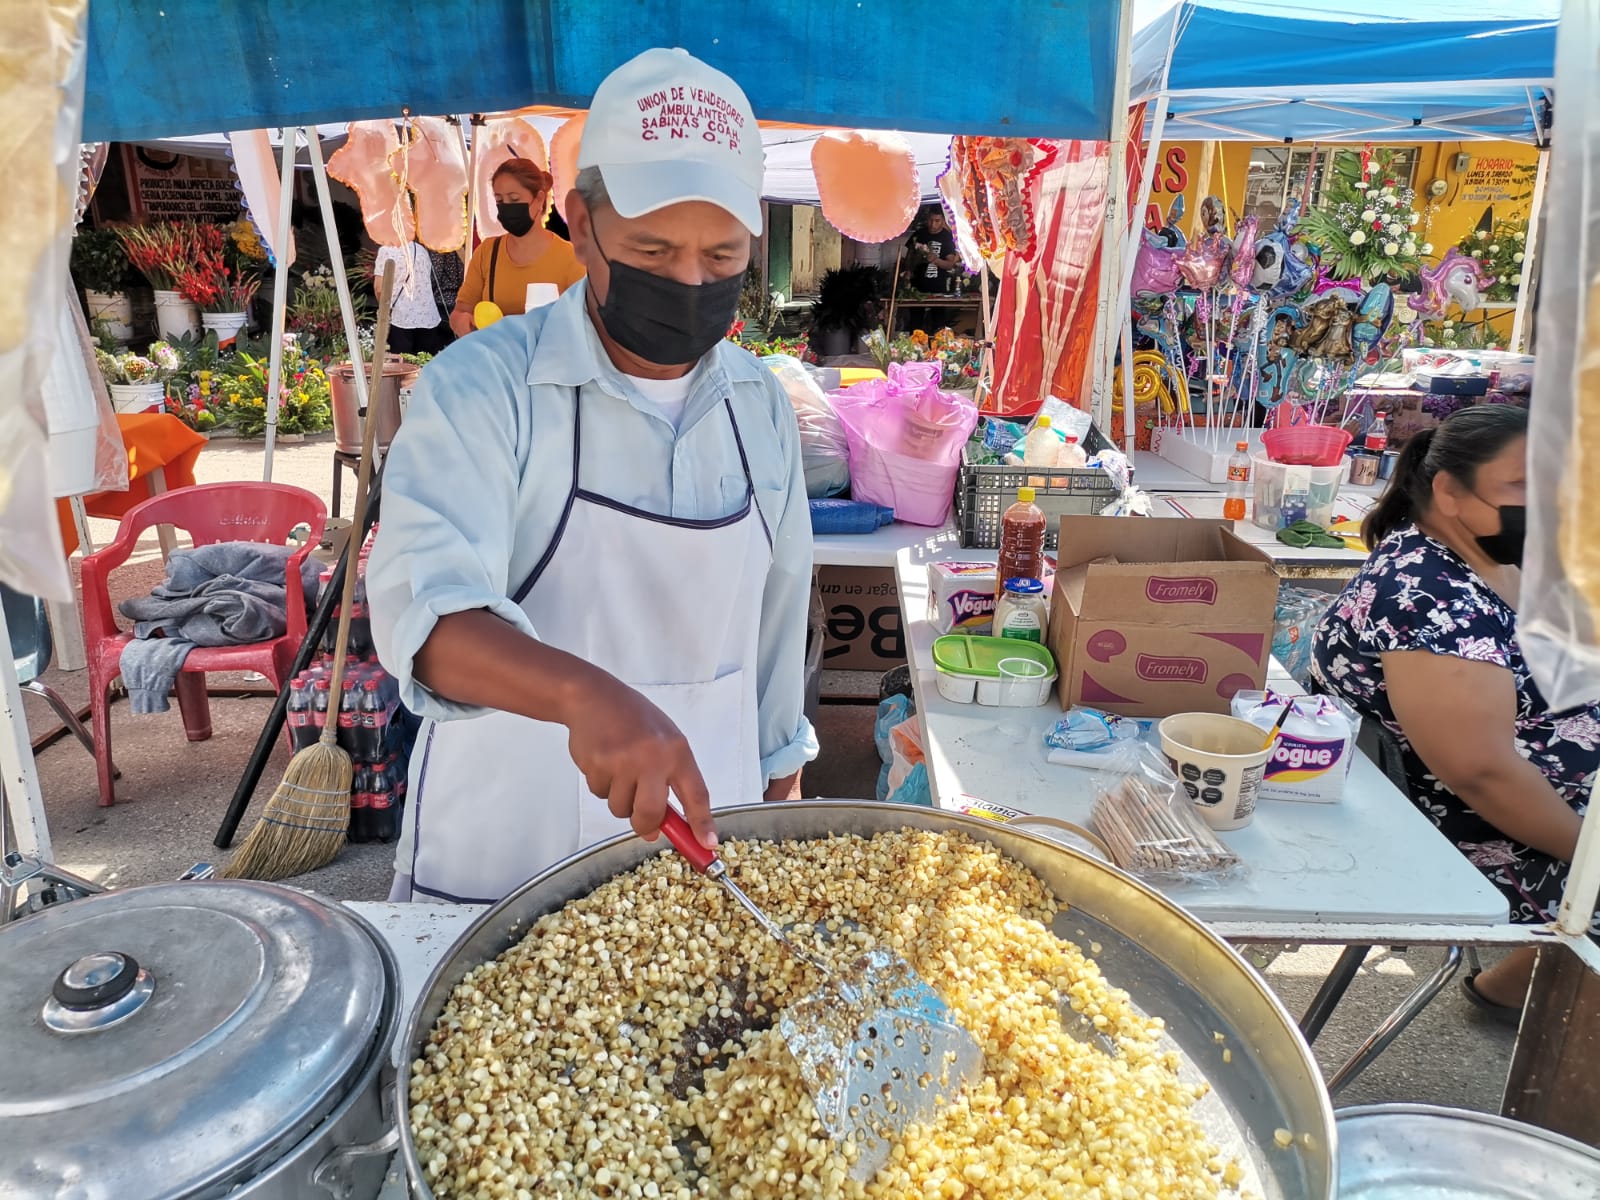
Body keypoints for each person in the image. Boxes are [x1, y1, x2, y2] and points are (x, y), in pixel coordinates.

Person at [368, 48, 818, 904]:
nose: (689, 281)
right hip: (505, 861)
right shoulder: (485, 386)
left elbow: (776, 621)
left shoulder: (759, 404)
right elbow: (422, 614)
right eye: (653, 249)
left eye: (722, 256)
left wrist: (780, 780)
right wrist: (582, 695)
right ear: (580, 222)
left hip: (701, 855)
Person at [1312, 406, 1599, 1023]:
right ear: (1449, 492)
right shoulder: (1427, 597)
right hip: (1479, 827)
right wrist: (1592, 857)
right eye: (1522, 484)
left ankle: (1519, 984)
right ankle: (1550, 997)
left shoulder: (1491, 554)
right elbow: (1483, 775)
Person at [450, 158, 587, 336]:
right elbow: (461, 311)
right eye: (499, 200)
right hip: (497, 352)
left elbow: (586, 324)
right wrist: (462, 322)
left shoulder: (570, 257)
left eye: (514, 199)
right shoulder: (487, 252)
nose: (507, 207)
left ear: (539, 199)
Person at [375, 240, 451, 355]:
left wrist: (385, 310)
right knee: (425, 361)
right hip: (427, 316)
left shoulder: (386, 251)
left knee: (401, 363)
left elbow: (379, 289)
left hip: (400, 316)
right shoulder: (421, 250)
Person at [905, 207, 961, 295]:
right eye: (930, 220)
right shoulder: (919, 234)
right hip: (916, 287)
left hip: (938, 288)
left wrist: (935, 260)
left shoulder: (947, 237)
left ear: (943, 221)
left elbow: (950, 264)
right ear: (927, 218)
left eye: (937, 221)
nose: (933, 224)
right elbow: (908, 257)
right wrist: (908, 271)